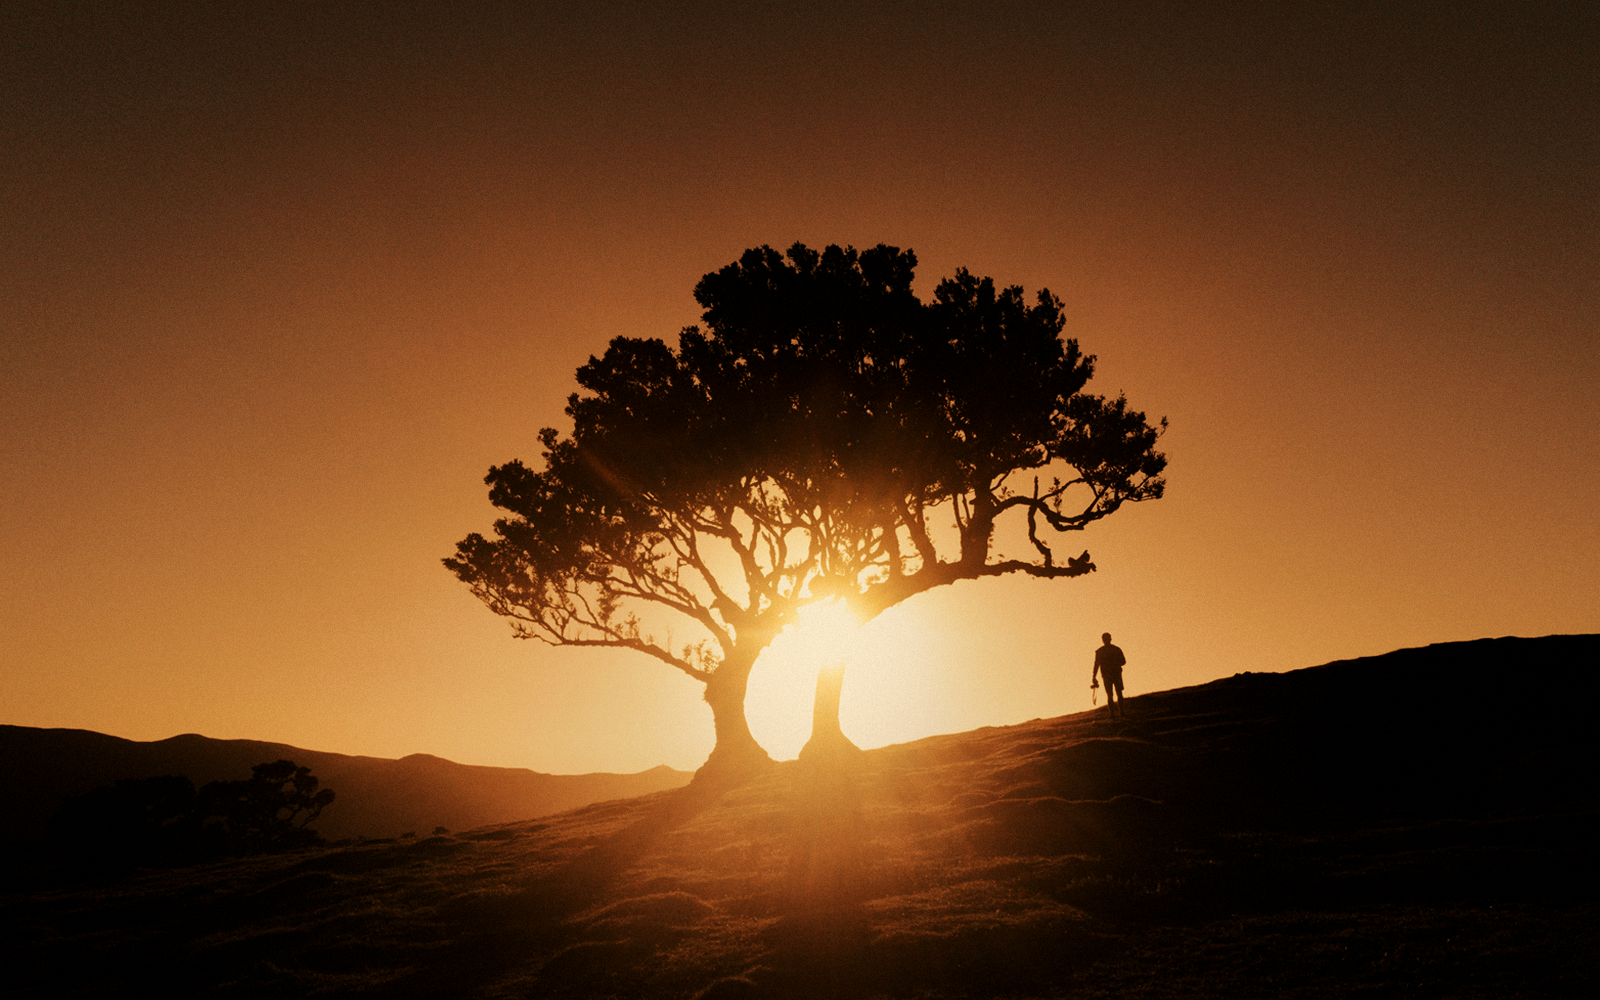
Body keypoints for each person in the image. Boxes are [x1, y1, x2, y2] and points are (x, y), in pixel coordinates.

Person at [1091, 632, 1126, 720]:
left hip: (1110, 675)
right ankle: (1117, 713)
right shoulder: (1115, 649)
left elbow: (1123, 661)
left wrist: (1094, 676)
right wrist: (1094, 676)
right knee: (1114, 694)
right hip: (1111, 675)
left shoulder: (1102, 651)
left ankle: (1115, 714)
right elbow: (1096, 665)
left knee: (1113, 694)